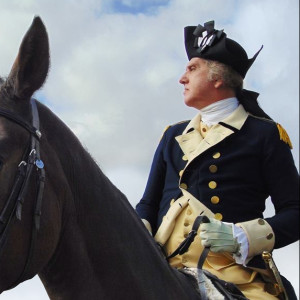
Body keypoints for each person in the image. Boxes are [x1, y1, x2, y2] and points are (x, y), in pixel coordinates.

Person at [136, 21, 299, 300]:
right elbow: (148, 204)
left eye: (192, 68)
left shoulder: (264, 134)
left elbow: (296, 212)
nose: (182, 78)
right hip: (161, 265)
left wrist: (243, 236)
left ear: (218, 78)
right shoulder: (173, 135)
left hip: (232, 270)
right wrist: (135, 233)